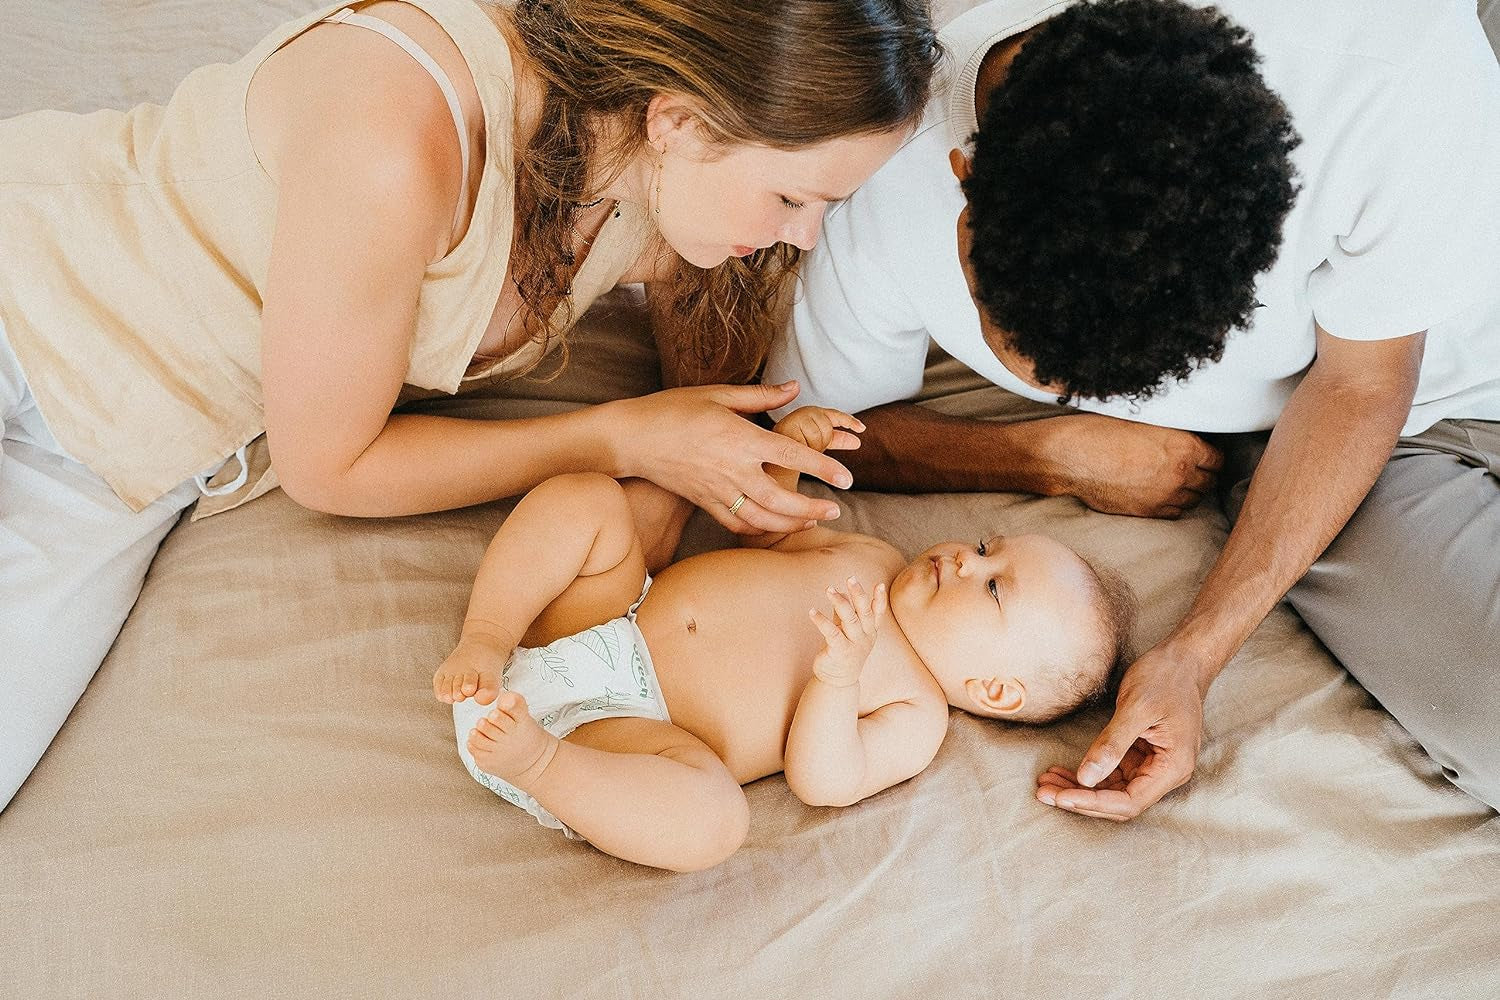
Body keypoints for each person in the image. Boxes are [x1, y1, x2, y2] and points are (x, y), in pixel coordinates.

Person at [0, 0, 944, 810]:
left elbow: (706, 383)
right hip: (31, 288)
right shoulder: (397, 136)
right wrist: (619, 438)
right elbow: (330, 466)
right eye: (792, 197)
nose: (807, 235)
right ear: (680, 121)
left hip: (132, 452)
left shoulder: (655, 169)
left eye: (830, 205)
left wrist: (714, 454)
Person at [765, 0, 1500, 815]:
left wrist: (1199, 652)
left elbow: (1362, 379)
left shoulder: (1392, 68)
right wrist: (1045, 455)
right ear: (965, 192)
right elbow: (817, 433)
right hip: (1391, 440)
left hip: (1388, 365)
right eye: (1045, 372)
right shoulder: (881, 165)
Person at [432, 406, 1134, 871]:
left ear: (994, 689)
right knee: (589, 500)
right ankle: (487, 640)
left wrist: (839, 678)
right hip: (607, 617)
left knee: (715, 823)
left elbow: (824, 781)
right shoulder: (874, 561)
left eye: (992, 587)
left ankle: (540, 766)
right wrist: (792, 457)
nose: (965, 558)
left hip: (626, 733)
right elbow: (771, 533)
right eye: (987, 546)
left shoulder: (916, 713)